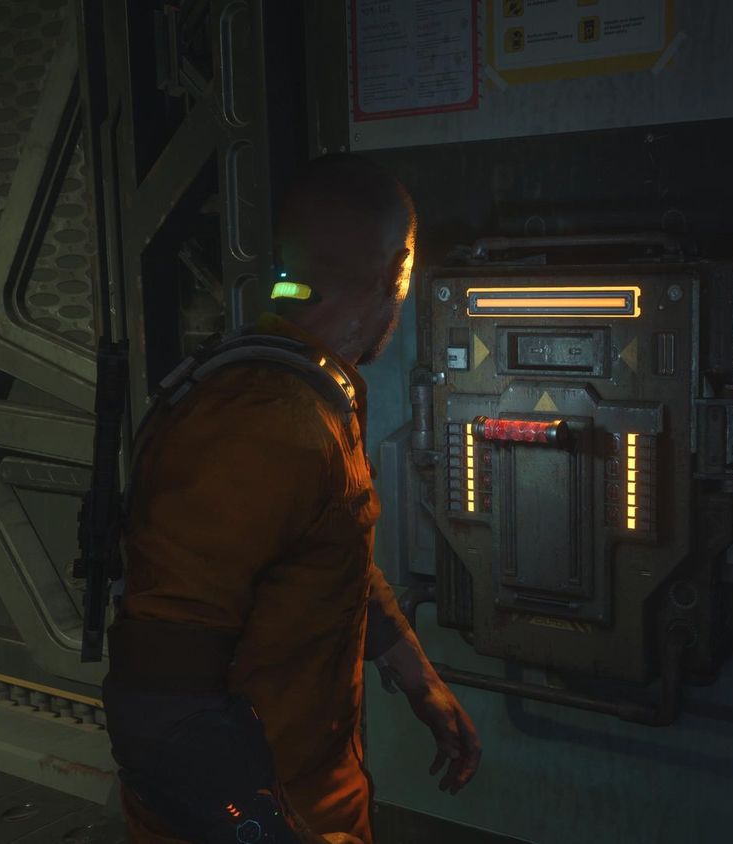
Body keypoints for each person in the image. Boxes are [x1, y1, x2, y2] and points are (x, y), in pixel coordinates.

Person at [101, 155, 480, 844]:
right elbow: (157, 699)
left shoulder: (304, 391)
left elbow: (329, 550)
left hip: (311, 804)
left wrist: (414, 674)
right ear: (399, 269)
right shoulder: (269, 420)